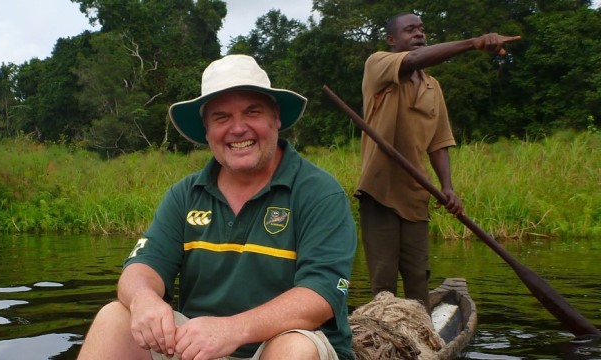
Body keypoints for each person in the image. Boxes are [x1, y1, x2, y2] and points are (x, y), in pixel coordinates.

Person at [77, 54, 357, 360]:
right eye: (221, 117)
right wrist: (144, 299)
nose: (238, 129)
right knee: (114, 316)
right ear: (207, 130)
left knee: (294, 348)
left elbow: (321, 295)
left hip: (285, 346)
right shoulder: (185, 194)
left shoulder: (319, 192)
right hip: (197, 349)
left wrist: (233, 329)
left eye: (252, 112)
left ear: (275, 117)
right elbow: (142, 267)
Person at [356, 12, 521, 312]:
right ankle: (384, 337)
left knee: (418, 279)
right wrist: (474, 43)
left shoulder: (433, 87)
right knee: (384, 282)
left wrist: (448, 187)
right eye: (409, 30)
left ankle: (420, 338)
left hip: (417, 193)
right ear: (392, 40)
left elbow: (439, 143)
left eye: (421, 28)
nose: (418, 33)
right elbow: (414, 60)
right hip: (379, 191)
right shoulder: (378, 66)